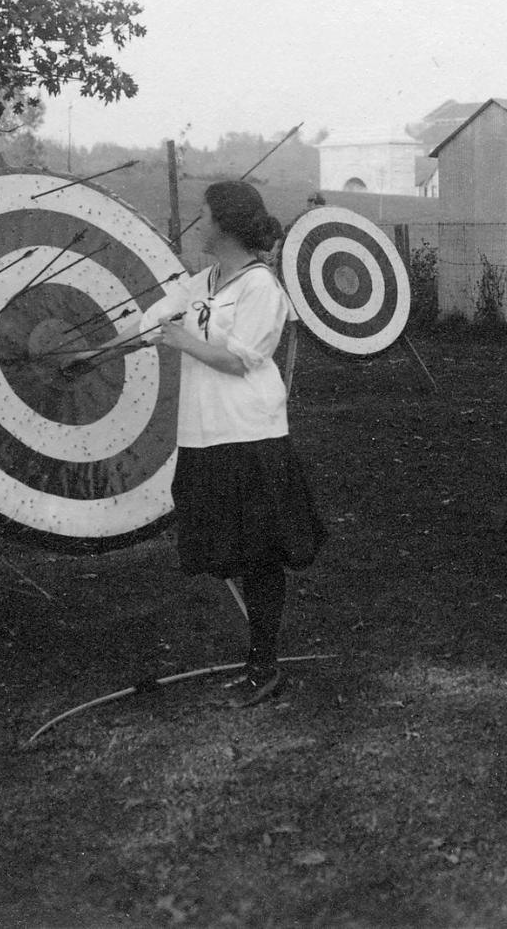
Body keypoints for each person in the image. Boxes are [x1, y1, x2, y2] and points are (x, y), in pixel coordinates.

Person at [127, 181, 324, 705]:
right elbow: (150, 322)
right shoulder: (205, 281)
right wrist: (97, 348)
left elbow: (242, 360)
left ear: (227, 226)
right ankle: (257, 659)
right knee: (231, 549)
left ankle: (265, 665)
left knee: (259, 554)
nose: (198, 223)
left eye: (205, 215)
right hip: (205, 433)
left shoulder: (261, 288)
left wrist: (182, 338)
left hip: (249, 434)